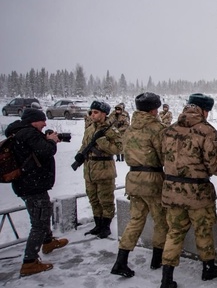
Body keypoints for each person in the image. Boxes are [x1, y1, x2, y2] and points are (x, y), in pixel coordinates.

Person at [159, 93, 217, 288]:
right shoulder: (207, 132)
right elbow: (214, 165)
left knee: (174, 233)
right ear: (204, 111)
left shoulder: (169, 130)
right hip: (197, 193)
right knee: (203, 231)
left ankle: (167, 277)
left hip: (172, 191)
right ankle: (208, 268)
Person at [111, 92, 168, 278]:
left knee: (135, 220)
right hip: (152, 180)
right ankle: (157, 258)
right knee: (161, 221)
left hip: (133, 178)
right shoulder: (156, 128)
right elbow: (163, 155)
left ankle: (121, 260)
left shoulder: (130, 129)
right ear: (154, 109)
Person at [5, 108, 69, 277]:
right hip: (31, 186)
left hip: (30, 184)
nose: (45, 123)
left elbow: (37, 151)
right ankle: (29, 262)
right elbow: (47, 151)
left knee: (43, 212)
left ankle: (48, 242)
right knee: (39, 222)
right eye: (42, 121)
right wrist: (52, 141)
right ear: (34, 121)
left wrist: (47, 140)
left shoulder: (20, 133)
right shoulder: (28, 134)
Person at [74, 101, 122, 239]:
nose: (92, 115)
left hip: (104, 170)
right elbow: (84, 145)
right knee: (93, 199)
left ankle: (106, 227)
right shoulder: (89, 129)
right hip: (89, 170)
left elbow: (118, 148)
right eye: (91, 112)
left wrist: (102, 141)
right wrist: (79, 154)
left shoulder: (111, 130)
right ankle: (98, 224)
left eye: (95, 112)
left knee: (105, 200)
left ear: (104, 114)